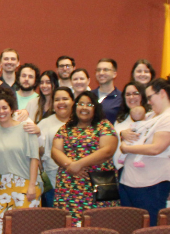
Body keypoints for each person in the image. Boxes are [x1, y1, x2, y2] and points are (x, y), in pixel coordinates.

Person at [118, 78, 170, 224]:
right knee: (131, 227)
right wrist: (123, 133)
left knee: (149, 230)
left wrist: (126, 148)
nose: (148, 102)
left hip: (151, 185)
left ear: (162, 93)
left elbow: (156, 148)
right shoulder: (151, 116)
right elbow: (134, 127)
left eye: (150, 97)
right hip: (132, 182)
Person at [51, 90, 119, 224]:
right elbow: (55, 151)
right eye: (81, 104)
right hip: (69, 187)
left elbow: (107, 151)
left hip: (98, 186)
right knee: (69, 226)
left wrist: (79, 164)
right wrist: (70, 165)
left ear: (96, 108)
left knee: (98, 225)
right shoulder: (66, 128)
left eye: (89, 105)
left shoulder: (104, 126)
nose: (84, 107)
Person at [0, 90, 41, 234]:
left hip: (25, 183)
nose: (1, 112)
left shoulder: (26, 127)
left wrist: (31, 185)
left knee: (25, 230)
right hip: (2, 185)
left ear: (11, 109)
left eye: (4, 108)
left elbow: (34, 158)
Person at [38, 87, 74, 208]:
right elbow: (36, 152)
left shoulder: (82, 122)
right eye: (57, 100)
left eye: (65, 99)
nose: (61, 102)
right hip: (53, 182)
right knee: (56, 220)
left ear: (73, 102)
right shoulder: (44, 123)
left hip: (79, 180)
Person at [94, 58, 122, 123]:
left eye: (105, 70)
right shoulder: (89, 96)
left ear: (114, 74)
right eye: (98, 70)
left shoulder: (121, 98)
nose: (101, 73)